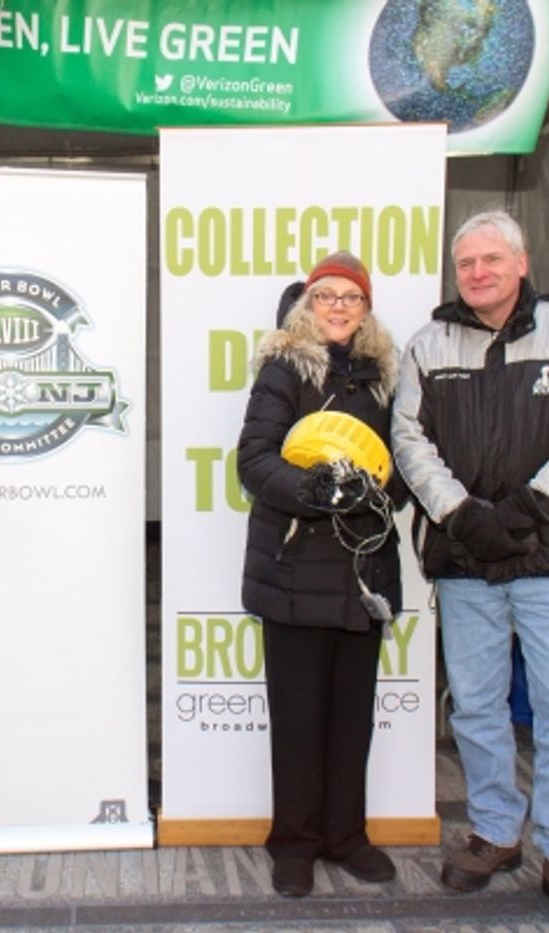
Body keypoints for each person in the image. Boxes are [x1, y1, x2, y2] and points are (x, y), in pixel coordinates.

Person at [391, 212, 549, 933]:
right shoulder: (429, 344)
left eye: (492, 259)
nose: (478, 273)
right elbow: (409, 437)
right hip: (465, 560)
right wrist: (461, 514)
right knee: (476, 705)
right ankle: (496, 831)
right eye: (466, 263)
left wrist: (529, 506)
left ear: (521, 263)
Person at [238, 251, 406, 898]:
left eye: (351, 297)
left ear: (366, 308)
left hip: (364, 571)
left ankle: (346, 836)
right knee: (299, 715)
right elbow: (252, 459)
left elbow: (402, 462)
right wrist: (320, 490)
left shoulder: (384, 376)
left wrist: (388, 495)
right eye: (326, 295)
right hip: (294, 567)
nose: (338, 306)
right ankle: (294, 843)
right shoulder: (285, 367)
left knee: (351, 716)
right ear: (308, 303)